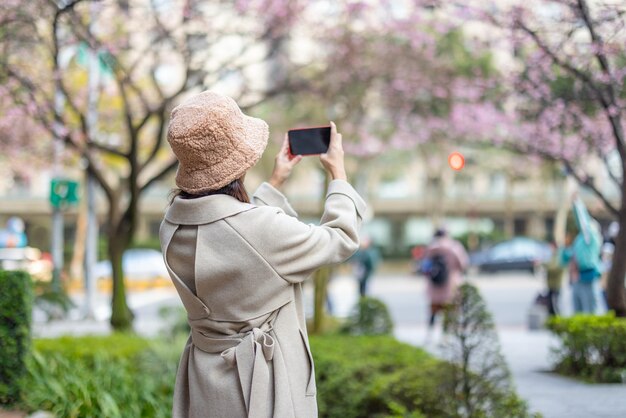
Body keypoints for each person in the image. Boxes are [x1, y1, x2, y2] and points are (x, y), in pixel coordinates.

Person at [160, 91, 366, 418]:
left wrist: (275, 182)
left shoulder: (172, 226)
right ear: (240, 161)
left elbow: (240, 238)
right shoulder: (260, 229)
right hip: (262, 388)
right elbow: (340, 238)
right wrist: (338, 176)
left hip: (206, 384)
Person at [561, 197, 602, 314]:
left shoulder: (591, 238)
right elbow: (567, 257)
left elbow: (584, 222)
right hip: (577, 278)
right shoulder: (580, 241)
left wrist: (577, 204)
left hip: (589, 276)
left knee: (590, 310)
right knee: (577, 311)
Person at [422, 228, 469, 329]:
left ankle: (429, 333)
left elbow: (425, 267)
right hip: (451, 284)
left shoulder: (430, 248)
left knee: (434, 310)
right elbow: (463, 264)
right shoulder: (454, 247)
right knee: (452, 310)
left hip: (434, 285)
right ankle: (449, 333)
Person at [544, 241, 564, 316]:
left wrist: (545, 266)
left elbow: (554, 268)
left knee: (555, 305)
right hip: (551, 284)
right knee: (551, 304)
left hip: (556, 284)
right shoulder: (553, 256)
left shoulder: (559, 256)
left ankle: (558, 320)